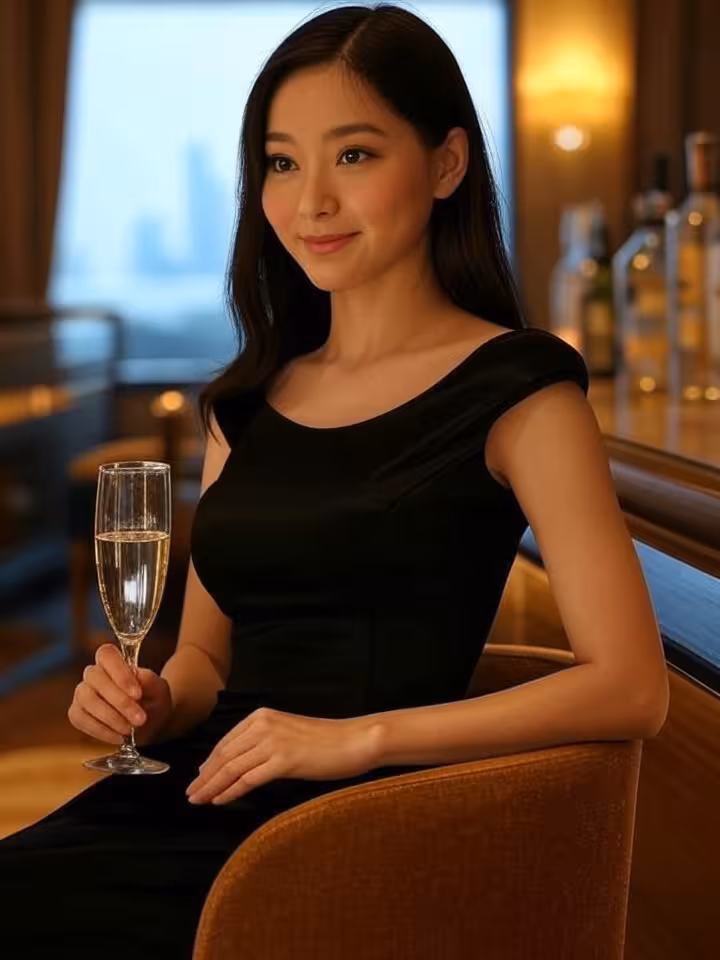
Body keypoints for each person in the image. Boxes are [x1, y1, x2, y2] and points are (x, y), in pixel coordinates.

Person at [0, 4, 669, 957]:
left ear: (447, 163)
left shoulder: (519, 390)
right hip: (199, 790)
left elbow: (633, 688)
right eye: (281, 163)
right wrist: (149, 701)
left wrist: (361, 737)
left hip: (351, 824)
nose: (310, 200)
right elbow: (207, 665)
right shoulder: (248, 399)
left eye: (353, 155)